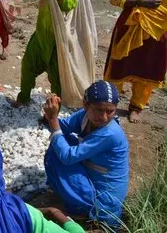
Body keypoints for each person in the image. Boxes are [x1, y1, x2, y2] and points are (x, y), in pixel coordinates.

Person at [16, 0, 94, 106]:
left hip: (57, 38)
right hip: (41, 34)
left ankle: (54, 109)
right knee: (28, 66)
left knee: (56, 77)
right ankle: (23, 98)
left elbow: (69, 3)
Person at [43, 80, 129, 228]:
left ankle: (83, 210)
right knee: (61, 143)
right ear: (85, 105)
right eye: (98, 110)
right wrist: (52, 113)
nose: (103, 117)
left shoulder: (110, 133)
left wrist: (52, 120)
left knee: (60, 154)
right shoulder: (84, 116)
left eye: (110, 111)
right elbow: (62, 127)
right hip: (93, 178)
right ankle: (71, 195)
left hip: (103, 202)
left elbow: (68, 156)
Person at [104, 0, 167, 123]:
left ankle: (136, 106)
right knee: (120, 64)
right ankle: (109, 104)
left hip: (158, 29)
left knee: (148, 67)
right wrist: (140, 2)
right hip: (130, 27)